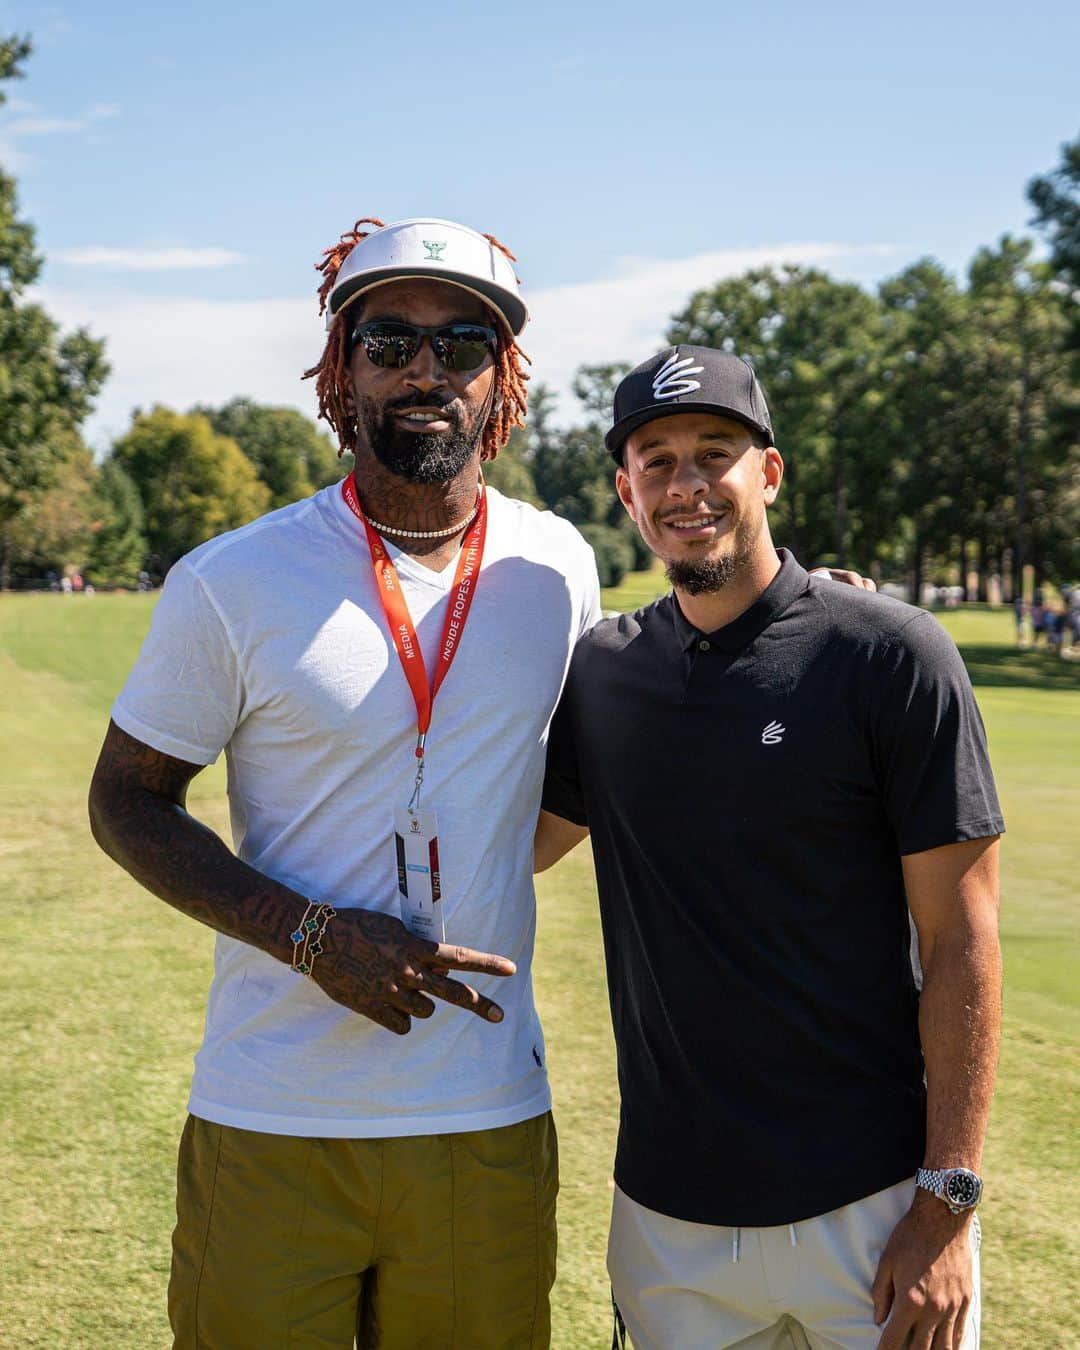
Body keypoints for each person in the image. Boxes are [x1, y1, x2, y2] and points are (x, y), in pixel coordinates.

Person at [88, 215, 603, 1349]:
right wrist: (310, 935)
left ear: (503, 376)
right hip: (273, 1111)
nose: (426, 369)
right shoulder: (233, 579)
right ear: (341, 368)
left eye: (464, 343)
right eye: (389, 342)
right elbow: (124, 798)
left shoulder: (559, 565)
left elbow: (584, 780)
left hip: (483, 1114)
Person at [537, 346, 1004, 1350]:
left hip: (874, 1212)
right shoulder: (604, 674)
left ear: (769, 473)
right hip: (668, 1223)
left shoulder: (890, 654)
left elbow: (964, 941)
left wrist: (948, 1206)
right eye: (656, 462)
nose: (687, 484)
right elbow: (523, 843)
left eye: (716, 452)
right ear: (625, 491)